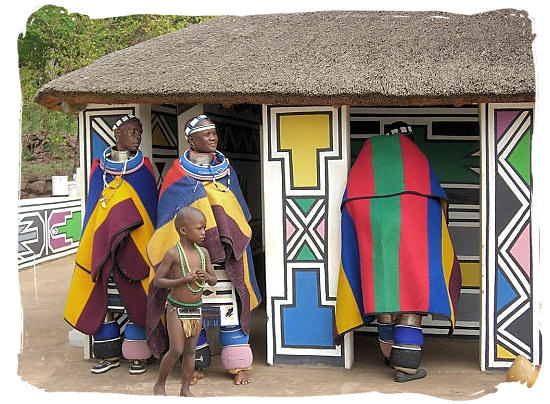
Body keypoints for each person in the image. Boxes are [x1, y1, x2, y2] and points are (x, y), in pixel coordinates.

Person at [335, 122, 462, 382]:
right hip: (414, 224)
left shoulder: (369, 159)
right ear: (409, 138)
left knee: (381, 285)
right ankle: (406, 364)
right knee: (414, 285)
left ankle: (388, 352)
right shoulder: (417, 160)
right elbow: (437, 206)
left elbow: (348, 207)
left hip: (371, 222)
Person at [147, 114, 261, 385]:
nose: (213, 138)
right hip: (190, 259)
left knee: (232, 306)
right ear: (191, 139)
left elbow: (239, 213)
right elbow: (168, 220)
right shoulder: (178, 175)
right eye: (206, 134)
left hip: (227, 258)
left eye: (214, 133)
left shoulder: (227, 171)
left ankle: (238, 365)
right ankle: (196, 365)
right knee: (191, 312)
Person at [64, 114, 158, 374]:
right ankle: (109, 355)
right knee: (104, 302)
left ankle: (138, 354)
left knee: (137, 301)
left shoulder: (145, 169)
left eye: (139, 132)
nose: (137, 136)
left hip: (137, 250)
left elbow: (151, 212)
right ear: (117, 135)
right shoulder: (99, 170)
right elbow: (93, 211)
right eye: (132, 132)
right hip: (105, 251)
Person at [152, 207, 217, 396]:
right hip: (176, 309)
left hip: (196, 309)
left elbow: (212, 280)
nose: (204, 232)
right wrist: (183, 281)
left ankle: (185, 388)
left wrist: (205, 275)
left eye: (204, 228)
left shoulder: (203, 253)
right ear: (183, 230)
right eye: (199, 228)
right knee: (176, 349)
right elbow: (158, 281)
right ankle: (160, 384)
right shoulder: (173, 253)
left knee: (190, 350)